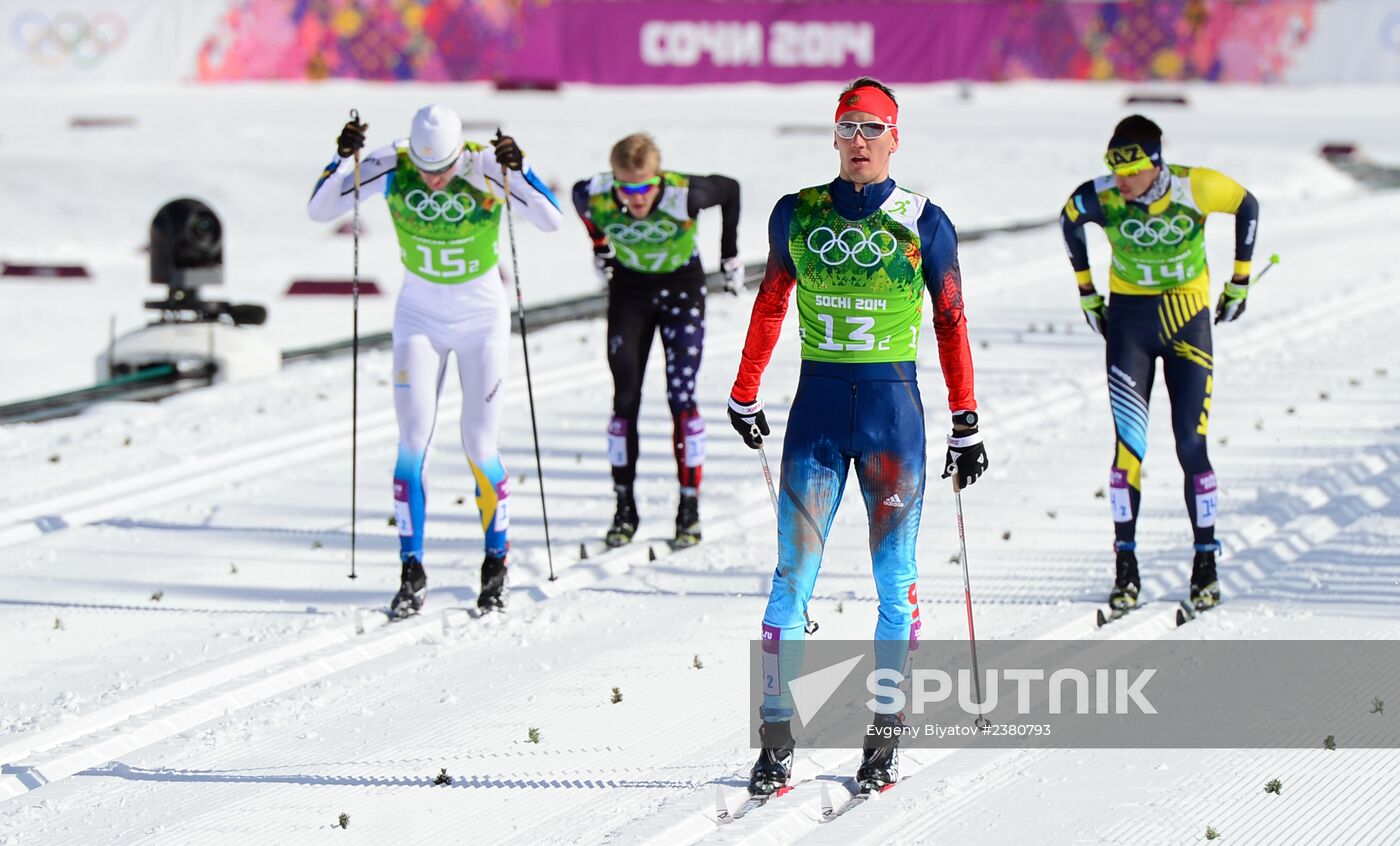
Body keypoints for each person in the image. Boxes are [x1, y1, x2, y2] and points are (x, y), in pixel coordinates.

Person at [726, 78, 987, 795]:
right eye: (848, 129)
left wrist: (966, 418)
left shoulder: (923, 220)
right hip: (815, 412)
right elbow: (772, 303)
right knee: (790, 580)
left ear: (895, 137)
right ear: (834, 138)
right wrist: (744, 390)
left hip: (891, 417)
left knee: (893, 584)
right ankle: (775, 739)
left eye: (873, 129)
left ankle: (883, 737)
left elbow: (951, 320)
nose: (860, 141)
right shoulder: (798, 213)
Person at [308, 104, 562, 616]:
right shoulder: (393, 163)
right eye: (425, 171)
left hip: (481, 321)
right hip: (419, 316)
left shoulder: (483, 165)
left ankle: (495, 564)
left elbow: (550, 220)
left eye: (442, 169)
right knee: (410, 445)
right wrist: (340, 159)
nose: (433, 180)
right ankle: (411, 570)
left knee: (478, 443)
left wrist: (522, 168)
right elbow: (320, 210)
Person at [1059, 114, 1260, 615]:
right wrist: (1087, 292)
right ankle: (1125, 569)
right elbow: (1068, 217)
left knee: (1191, 444)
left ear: (1155, 164)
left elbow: (1246, 204)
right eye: (1114, 169)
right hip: (1129, 323)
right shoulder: (1103, 196)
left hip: (1186, 320)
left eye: (1130, 171)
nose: (1121, 181)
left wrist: (1240, 279)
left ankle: (1205, 563)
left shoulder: (1197, 186)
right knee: (1130, 447)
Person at [572, 134, 742, 549]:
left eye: (645, 187)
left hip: (682, 291)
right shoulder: (594, 194)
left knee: (681, 397)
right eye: (626, 188)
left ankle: (689, 507)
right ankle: (624, 507)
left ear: (659, 177)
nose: (635, 199)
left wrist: (729, 253)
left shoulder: (684, 192)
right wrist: (600, 247)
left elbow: (731, 190)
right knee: (624, 398)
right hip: (630, 293)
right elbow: (580, 201)